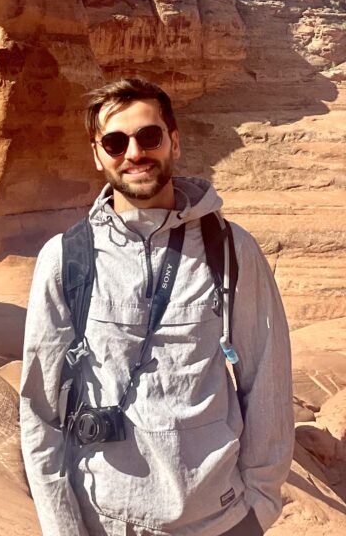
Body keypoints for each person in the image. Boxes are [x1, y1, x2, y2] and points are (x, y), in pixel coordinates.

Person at [20, 77, 293, 536]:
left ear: (174, 142)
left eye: (150, 136)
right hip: (108, 521)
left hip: (220, 519)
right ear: (97, 154)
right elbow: (41, 409)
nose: (134, 153)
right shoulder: (65, 258)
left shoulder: (229, 248)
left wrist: (260, 504)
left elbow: (265, 378)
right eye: (115, 141)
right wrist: (63, 527)